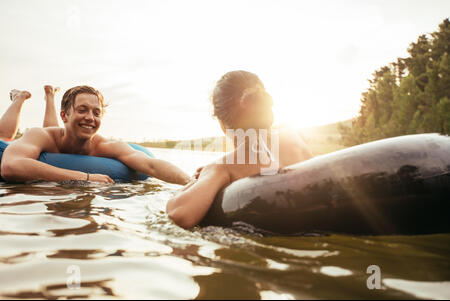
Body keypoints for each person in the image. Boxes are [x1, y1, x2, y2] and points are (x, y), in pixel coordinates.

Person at [166, 70, 313, 228]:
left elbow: (180, 215)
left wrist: (197, 181)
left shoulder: (223, 168)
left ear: (222, 124)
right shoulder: (292, 136)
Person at [1, 85, 190, 185]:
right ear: (64, 115)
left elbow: (151, 165)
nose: (90, 118)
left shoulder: (105, 146)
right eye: (82, 110)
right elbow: (10, 166)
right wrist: (85, 178)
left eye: (96, 113)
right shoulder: (40, 135)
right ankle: (20, 97)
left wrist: (191, 182)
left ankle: (49, 96)